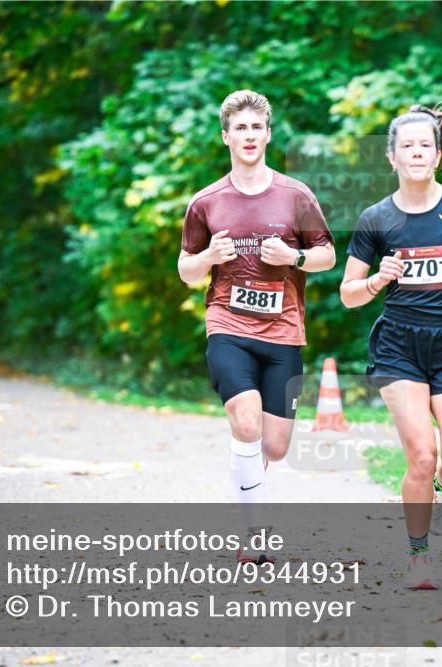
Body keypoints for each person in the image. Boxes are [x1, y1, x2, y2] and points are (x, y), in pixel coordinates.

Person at [339, 100, 442, 589]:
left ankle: (441, 490)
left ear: (437, 155)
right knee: (421, 454)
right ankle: (419, 556)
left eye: (424, 145)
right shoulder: (376, 219)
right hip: (398, 347)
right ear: (391, 157)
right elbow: (348, 294)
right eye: (406, 146)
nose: (416, 153)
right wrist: (376, 280)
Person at [178, 90, 335, 562]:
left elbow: (328, 255)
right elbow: (186, 270)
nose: (249, 136)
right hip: (228, 324)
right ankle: (255, 536)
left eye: (256, 127)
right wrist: (209, 257)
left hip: (284, 331)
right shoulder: (206, 202)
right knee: (245, 423)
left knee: (276, 446)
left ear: (268, 134)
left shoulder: (295, 195)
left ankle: (248, 484)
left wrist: (295, 257)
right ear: (225, 136)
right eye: (239, 128)